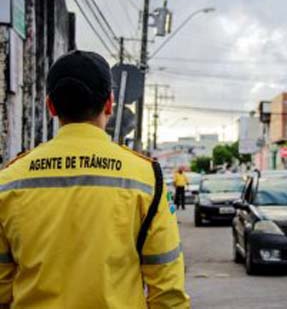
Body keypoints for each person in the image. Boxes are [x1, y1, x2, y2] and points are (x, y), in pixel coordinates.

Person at [0, 50, 190, 309]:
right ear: (110, 104)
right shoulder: (146, 177)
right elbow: (167, 290)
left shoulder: (9, 180)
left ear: (51, 106)